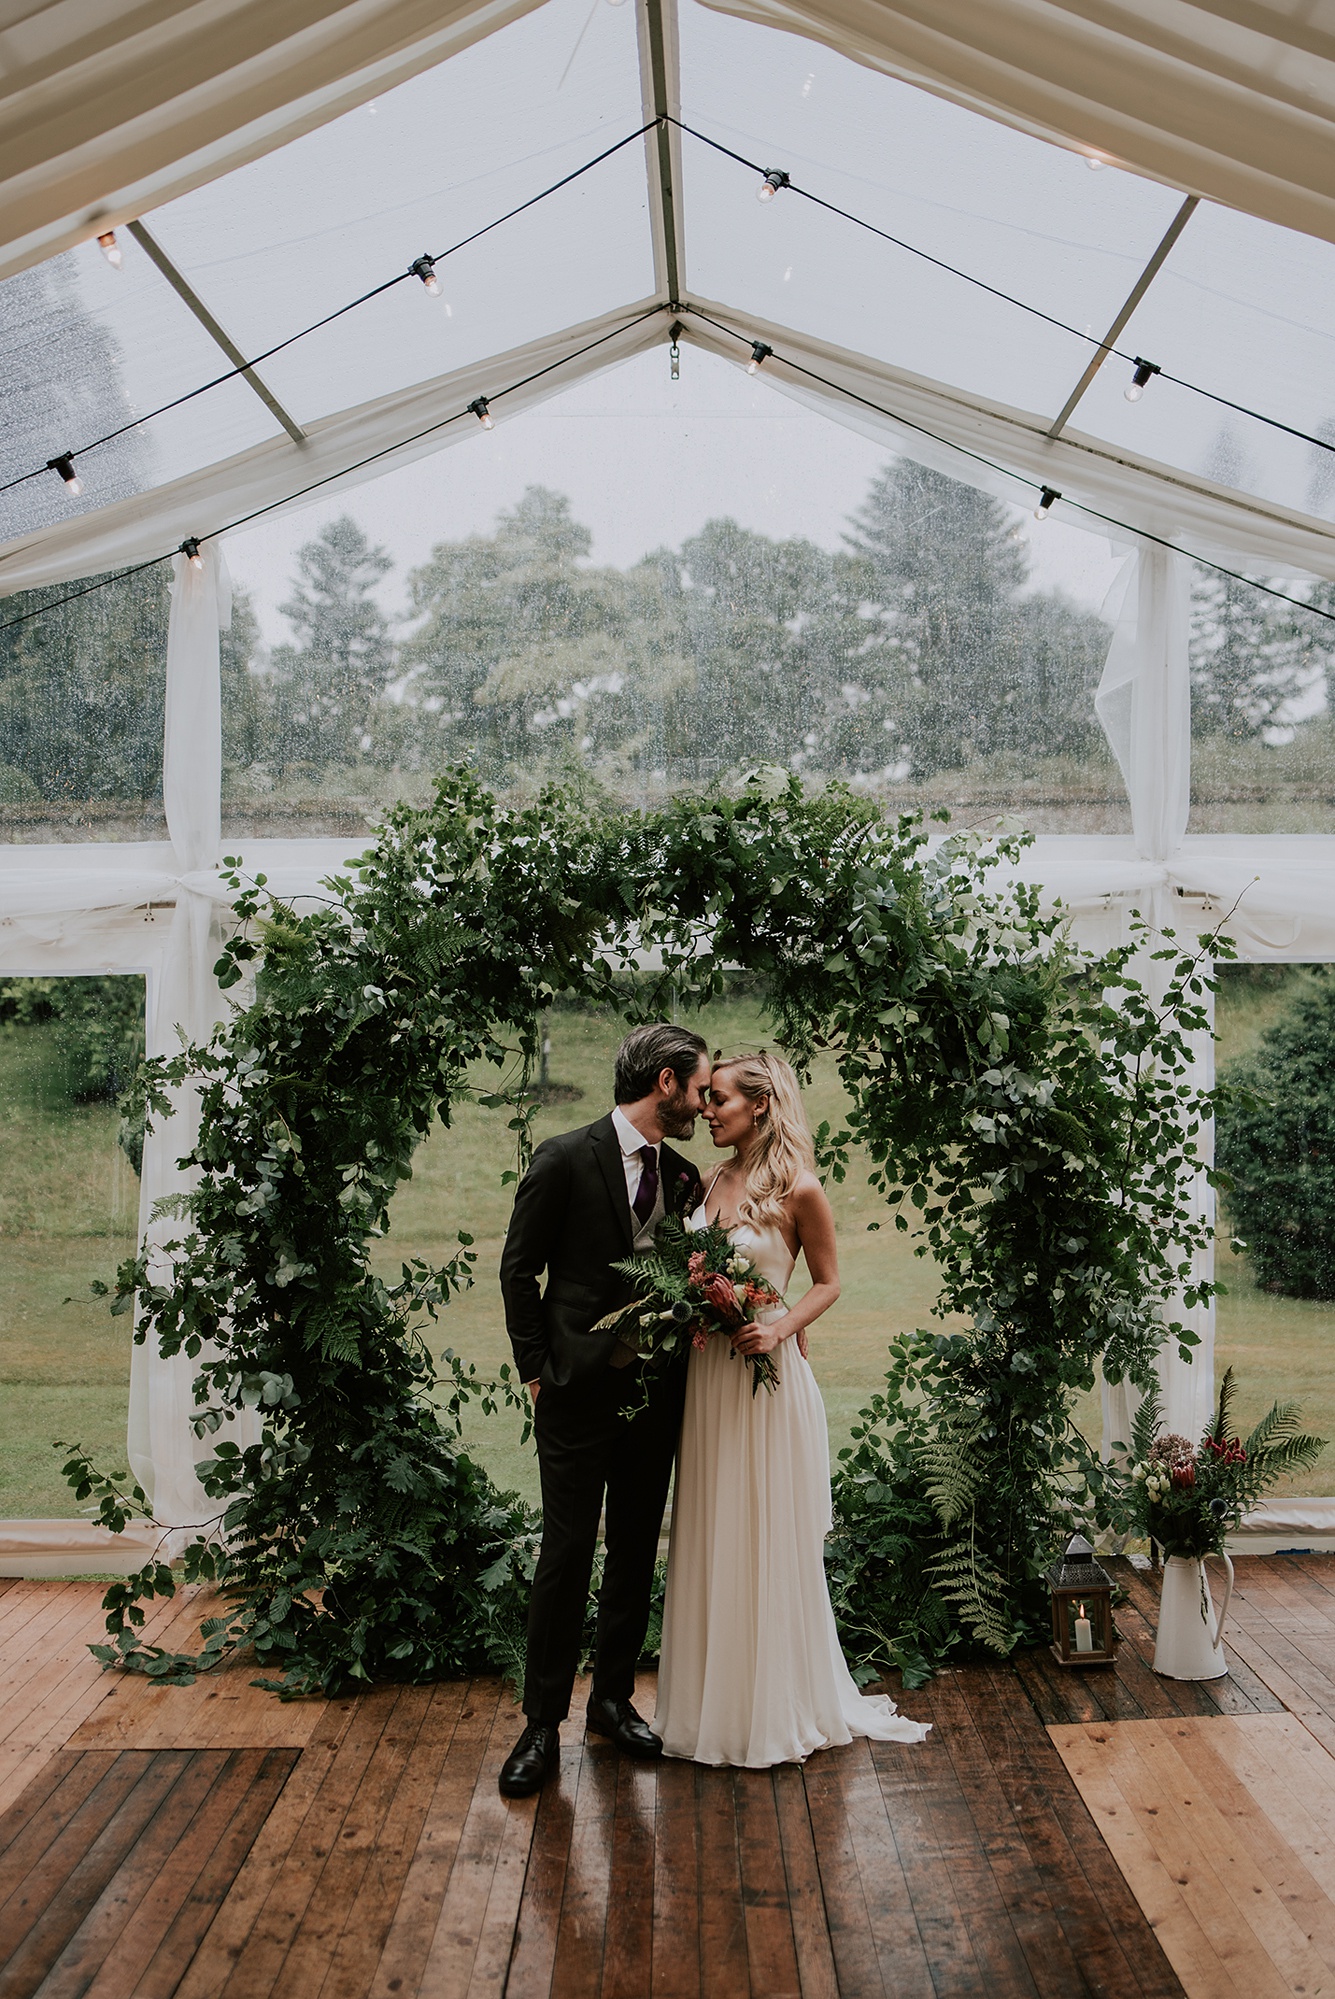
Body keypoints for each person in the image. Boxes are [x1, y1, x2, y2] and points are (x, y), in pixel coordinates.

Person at [654, 1050, 930, 1766]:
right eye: (705, 1098)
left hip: (763, 1380)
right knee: (713, 1527)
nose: (705, 1110)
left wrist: (778, 1325)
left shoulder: (798, 1188)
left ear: (761, 1105)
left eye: (717, 1099)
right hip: (709, 1379)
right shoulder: (709, 1179)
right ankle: (708, 1707)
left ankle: (771, 1709)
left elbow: (828, 1281)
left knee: (761, 1535)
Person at [496, 1022, 709, 1798]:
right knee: (565, 1550)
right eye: (697, 1085)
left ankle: (611, 1701)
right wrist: (536, 1372)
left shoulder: (683, 1179)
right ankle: (540, 1723)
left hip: (655, 1392)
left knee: (630, 1550)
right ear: (663, 1082)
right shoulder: (561, 1158)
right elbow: (518, 1270)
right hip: (574, 1389)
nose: (703, 1099)